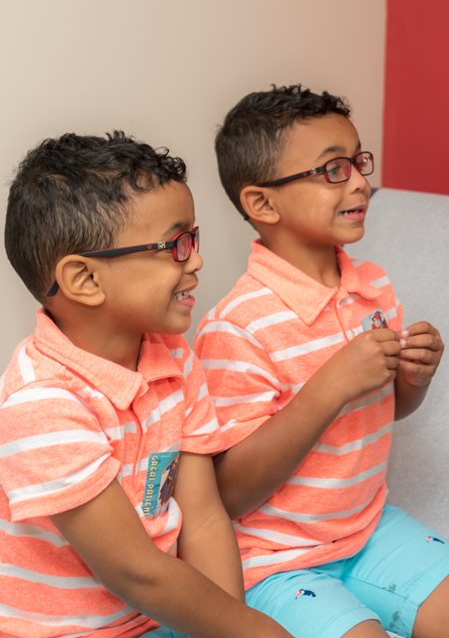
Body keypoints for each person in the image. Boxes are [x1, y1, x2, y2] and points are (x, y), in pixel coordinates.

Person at [194, 85, 449, 638]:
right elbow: (230, 492)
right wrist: (329, 388)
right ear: (262, 203)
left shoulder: (371, 287)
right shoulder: (235, 327)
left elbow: (389, 409)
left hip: (365, 528)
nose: (357, 181)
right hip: (274, 558)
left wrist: (413, 379)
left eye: (357, 161)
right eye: (331, 169)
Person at [0, 132, 291, 637]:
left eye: (193, 240)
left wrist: (236, 627)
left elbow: (202, 517)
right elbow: (136, 571)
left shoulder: (173, 355)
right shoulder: (41, 402)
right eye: (176, 245)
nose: (196, 261)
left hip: (159, 616)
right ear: (85, 280)